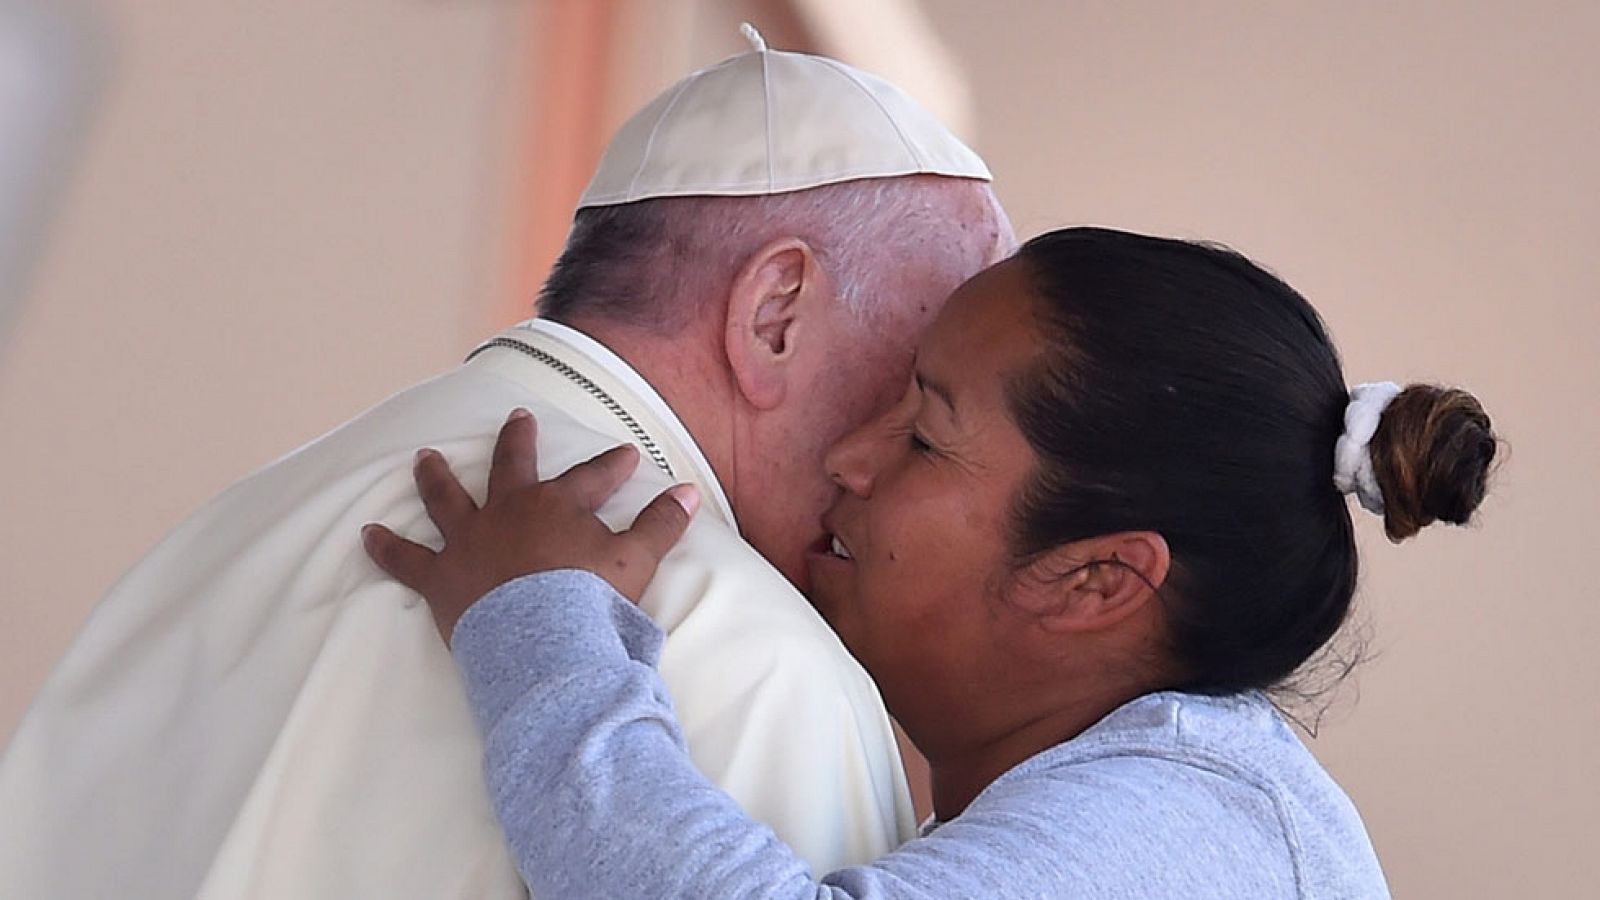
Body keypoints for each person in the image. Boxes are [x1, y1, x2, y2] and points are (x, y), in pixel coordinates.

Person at [0, 34, 1012, 900]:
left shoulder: (248, 518)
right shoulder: (736, 648)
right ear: (773, 312)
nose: (897, 460)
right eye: (917, 383)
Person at [364, 227, 1499, 898]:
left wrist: (540, 624)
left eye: (921, 433)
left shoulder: (1195, 833)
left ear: (1096, 580)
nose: (849, 459)